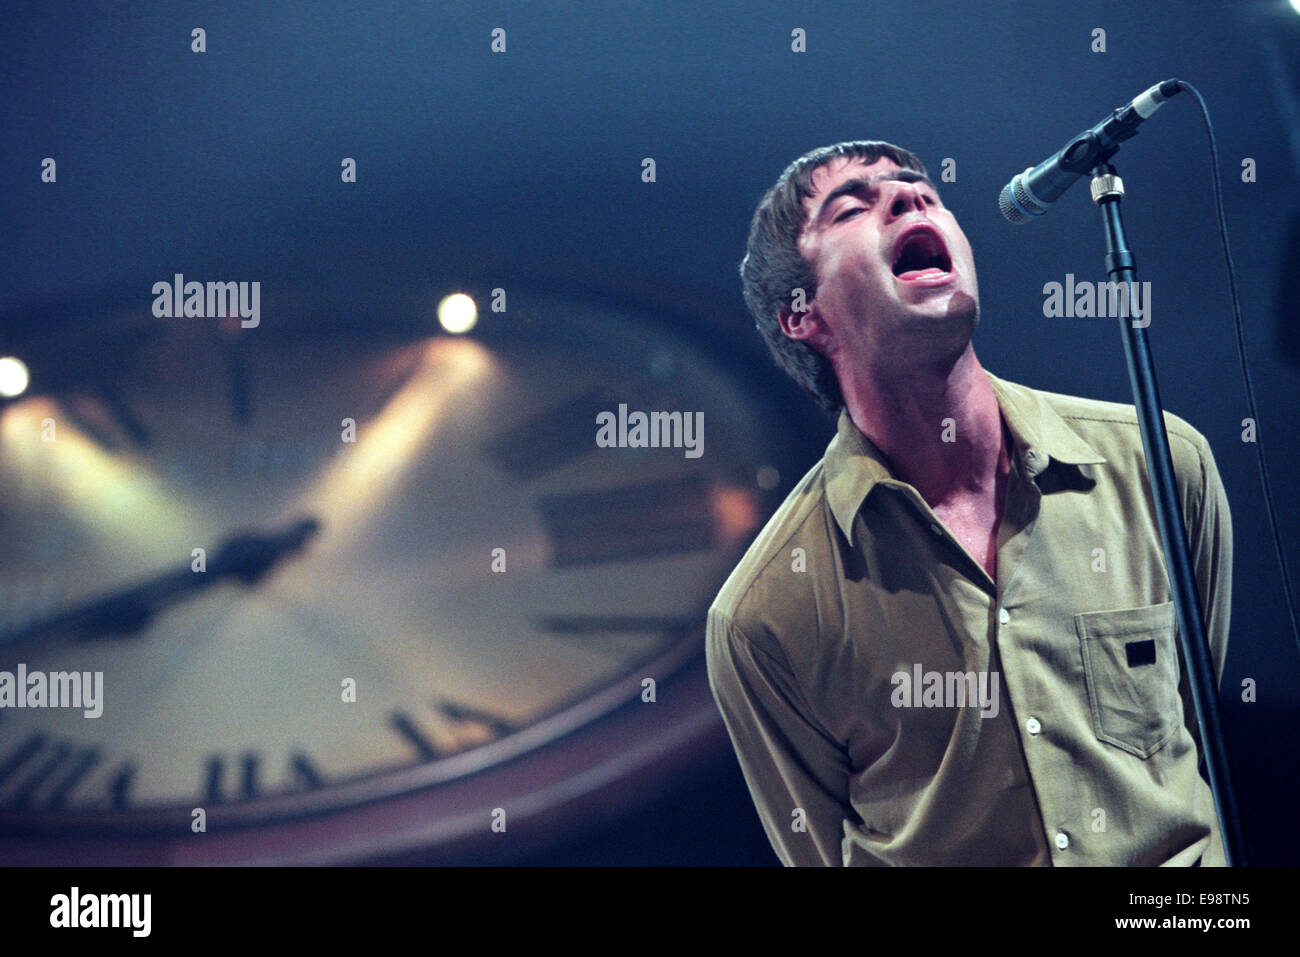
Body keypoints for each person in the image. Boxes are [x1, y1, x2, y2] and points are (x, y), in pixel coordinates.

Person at [705, 140, 1231, 866]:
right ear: (802, 315)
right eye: (853, 207)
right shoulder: (766, 612)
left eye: (918, 188)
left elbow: (1201, 726)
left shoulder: (1161, 465)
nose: (909, 198)